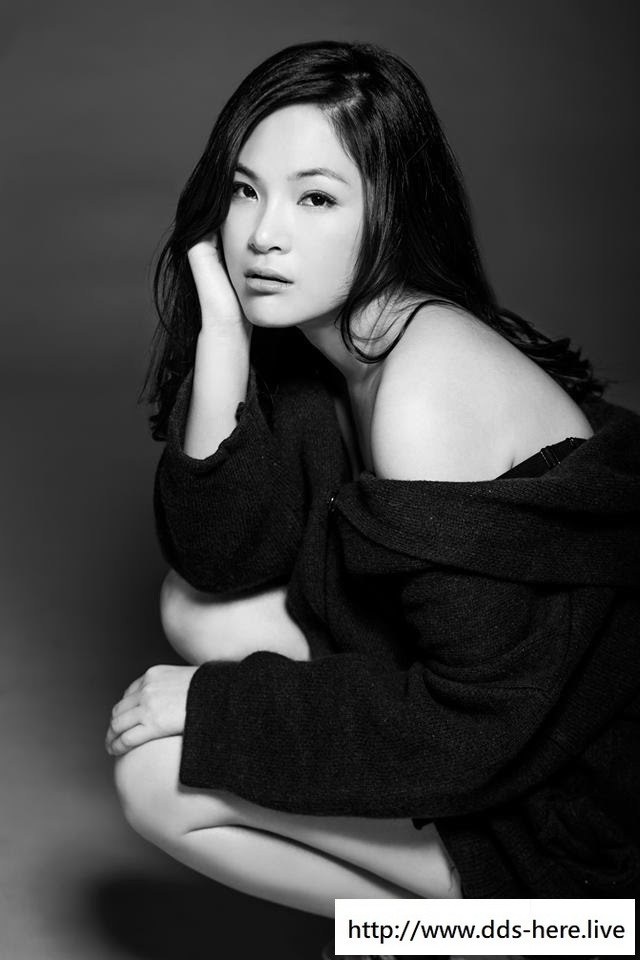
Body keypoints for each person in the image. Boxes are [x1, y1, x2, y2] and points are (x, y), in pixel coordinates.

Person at [106, 37, 640, 932]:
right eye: (245, 190)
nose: (263, 235)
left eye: (316, 198)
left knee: (157, 780)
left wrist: (214, 705)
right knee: (197, 610)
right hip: (508, 711)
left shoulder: (423, 390)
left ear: (389, 212)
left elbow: (475, 718)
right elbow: (219, 558)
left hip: (583, 794)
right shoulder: (334, 340)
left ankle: (510, 935)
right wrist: (224, 337)